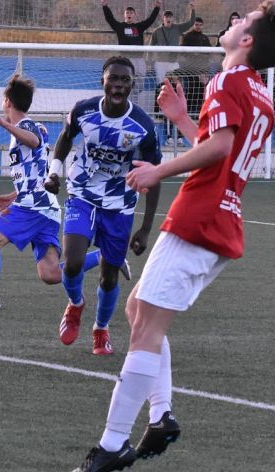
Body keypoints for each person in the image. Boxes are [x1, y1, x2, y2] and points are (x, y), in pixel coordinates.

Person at [71, 0, 275, 472]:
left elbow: (218, 149)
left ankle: (111, 448)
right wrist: (180, 118)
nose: (233, 22)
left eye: (242, 20)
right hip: (221, 217)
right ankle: (162, 415)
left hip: (199, 216)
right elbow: (221, 148)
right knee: (137, 310)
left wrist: (158, 171)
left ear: (247, 40)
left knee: (146, 330)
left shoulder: (229, 78)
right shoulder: (259, 91)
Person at [0, 76, 108, 310]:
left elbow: (35, 141)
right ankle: (106, 257)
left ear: (7, 101)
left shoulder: (26, 126)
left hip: (33, 206)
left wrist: (3, 123)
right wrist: (14, 194)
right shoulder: (31, 127)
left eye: (2, 103)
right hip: (45, 206)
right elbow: (38, 170)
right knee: (51, 273)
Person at [45, 56, 161, 356]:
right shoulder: (83, 110)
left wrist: (146, 228)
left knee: (109, 277)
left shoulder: (143, 127)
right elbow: (65, 138)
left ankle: (101, 328)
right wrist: (54, 172)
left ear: (132, 86)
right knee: (71, 262)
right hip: (82, 193)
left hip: (120, 204)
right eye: (114, 79)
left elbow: (155, 176)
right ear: (103, 81)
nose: (118, 85)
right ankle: (75, 305)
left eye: (125, 80)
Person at [149, 3, 197, 84]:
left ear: (172, 19)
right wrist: (149, 62)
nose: (168, 19)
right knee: (161, 83)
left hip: (173, 61)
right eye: (166, 17)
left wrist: (193, 10)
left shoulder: (177, 28)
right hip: (161, 62)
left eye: (170, 17)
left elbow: (191, 23)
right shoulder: (157, 31)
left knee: (176, 83)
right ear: (163, 19)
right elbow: (150, 47)